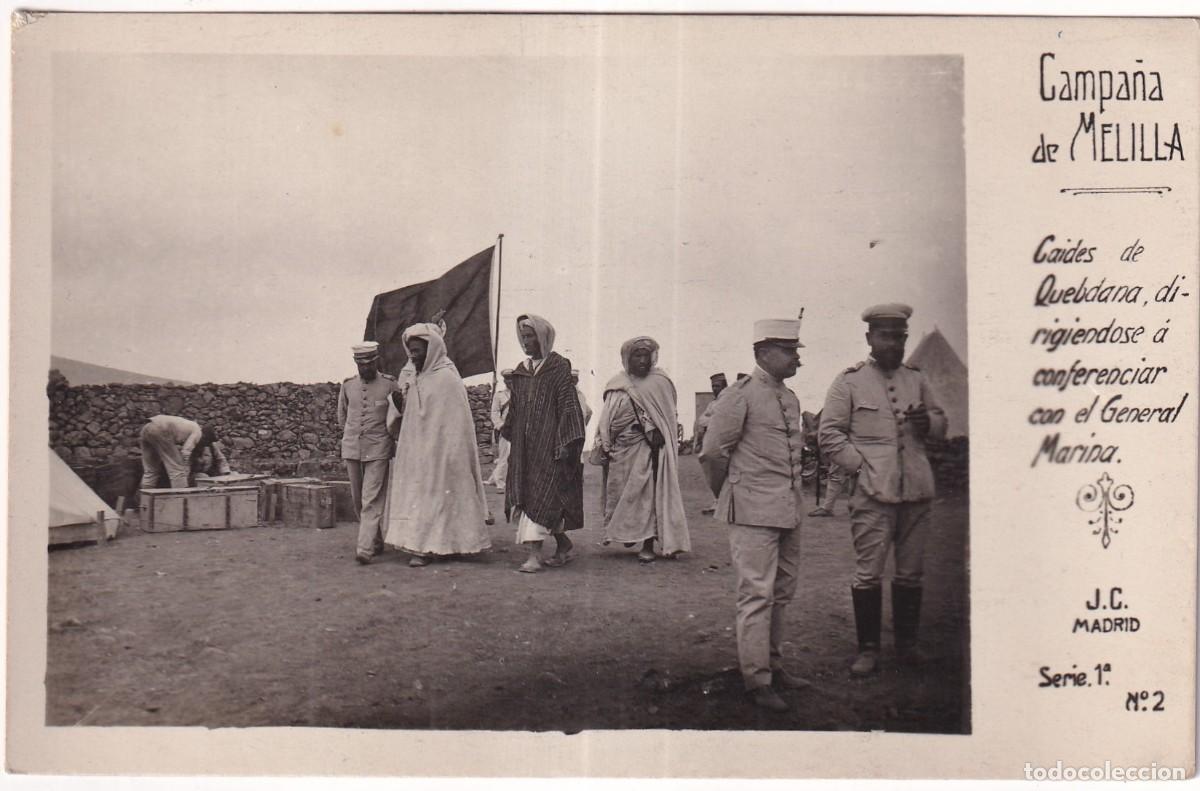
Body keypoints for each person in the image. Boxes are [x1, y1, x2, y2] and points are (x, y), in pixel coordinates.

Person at [818, 303, 947, 676]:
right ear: (869, 338)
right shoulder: (849, 382)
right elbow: (829, 434)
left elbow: (942, 422)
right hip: (872, 494)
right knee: (868, 573)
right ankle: (868, 649)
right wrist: (861, 468)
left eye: (900, 337)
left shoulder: (917, 379)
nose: (894, 344)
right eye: (886, 336)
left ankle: (907, 645)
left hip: (917, 491)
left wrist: (928, 423)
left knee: (910, 573)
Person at [699, 319, 811, 713]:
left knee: (782, 592)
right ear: (763, 353)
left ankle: (774, 666)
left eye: (796, 350)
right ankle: (756, 679)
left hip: (789, 509)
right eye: (788, 350)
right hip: (751, 511)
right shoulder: (739, 395)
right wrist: (732, 494)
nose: (797, 357)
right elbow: (712, 452)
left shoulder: (790, 397)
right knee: (756, 594)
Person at [383, 323, 492, 567]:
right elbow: (407, 417)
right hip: (418, 452)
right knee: (421, 495)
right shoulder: (414, 378)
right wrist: (398, 403)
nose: (413, 356)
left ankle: (449, 546)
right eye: (410, 351)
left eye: (417, 351)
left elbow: (457, 423)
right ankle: (421, 547)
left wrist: (450, 452)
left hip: (444, 453)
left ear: (431, 349)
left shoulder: (447, 379)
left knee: (443, 497)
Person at [591, 336, 690, 563]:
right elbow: (607, 416)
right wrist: (605, 443)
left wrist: (656, 431)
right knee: (623, 495)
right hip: (620, 450)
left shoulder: (660, 382)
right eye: (637, 355)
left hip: (647, 448)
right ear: (627, 358)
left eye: (646, 355)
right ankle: (629, 534)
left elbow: (667, 416)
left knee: (647, 495)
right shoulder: (617, 383)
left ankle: (648, 543)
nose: (643, 360)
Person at [502, 314, 586, 573]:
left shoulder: (558, 368)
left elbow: (569, 407)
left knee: (543, 492)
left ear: (543, 337)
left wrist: (565, 441)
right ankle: (564, 545)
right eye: (523, 337)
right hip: (524, 449)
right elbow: (515, 408)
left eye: (530, 336)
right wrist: (509, 432)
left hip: (551, 446)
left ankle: (534, 556)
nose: (526, 342)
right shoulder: (521, 372)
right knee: (533, 495)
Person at [338, 341, 401, 565]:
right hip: (352, 448)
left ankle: (364, 549)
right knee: (358, 500)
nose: (365, 368)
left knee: (371, 498)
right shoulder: (348, 386)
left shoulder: (390, 385)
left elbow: (397, 416)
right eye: (360, 364)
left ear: (376, 361)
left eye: (368, 364)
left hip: (378, 448)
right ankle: (375, 540)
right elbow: (342, 417)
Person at [139, 415, 231, 490]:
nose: (204, 445)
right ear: (204, 437)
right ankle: (180, 500)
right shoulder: (198, 432)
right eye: (205, 443)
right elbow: (185, 452)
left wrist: (226, 474)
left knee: (150, 470)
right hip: (161, 429)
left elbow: (220, 459)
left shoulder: (189, 428)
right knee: (177, 470)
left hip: (147, 427)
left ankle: (145, 500)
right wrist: (183, 470)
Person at [694, 372, 728, 515]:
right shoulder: (712, 404)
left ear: (724, 386)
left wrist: (711, 419)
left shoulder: (729, 400)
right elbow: (701, 420)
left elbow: (724, 419)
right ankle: (718, 501)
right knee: (712, 471)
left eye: (717, 386)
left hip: (726, 443)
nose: (714, 389)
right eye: (713, 386)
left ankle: (723, 503)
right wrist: (712, 419)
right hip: (713, 442)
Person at [484, 369, 514, 493]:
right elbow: (495, 412)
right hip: (505, 428)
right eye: (507, 380)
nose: (509, 382)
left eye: (511, 379)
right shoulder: (499, 395)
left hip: (518, 428)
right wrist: (500, 426)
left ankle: (493, 478)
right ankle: (500, 482)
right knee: (505, 455)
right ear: (504, 381)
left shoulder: (520, 394)